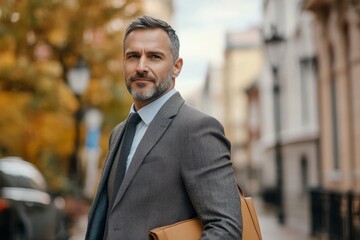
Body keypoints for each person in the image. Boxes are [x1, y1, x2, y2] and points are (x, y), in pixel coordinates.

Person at [85, 15, 242, 240]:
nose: (141, 67)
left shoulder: (197, 129)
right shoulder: (118, 132)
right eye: (133, 56)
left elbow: (226, 228)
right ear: (123, 63)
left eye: (154, 57)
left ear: (176, 67)